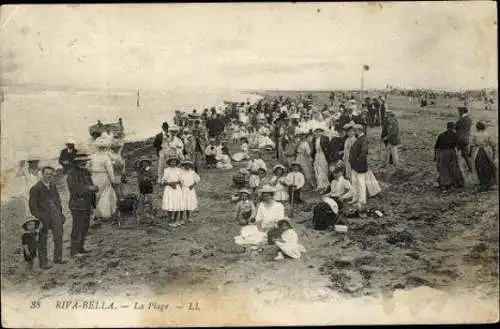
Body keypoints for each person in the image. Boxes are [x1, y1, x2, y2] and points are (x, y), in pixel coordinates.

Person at [29, 166, 67, 269]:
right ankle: (43, 262)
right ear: (42, 174)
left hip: (56, 216)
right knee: (42, 240)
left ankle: (58, 258)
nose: (49, 176)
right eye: (47, 174)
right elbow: (33, 208)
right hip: (43, 218)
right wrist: (40, 219)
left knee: (59, 237)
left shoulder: (53, 186)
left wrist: (60, 214)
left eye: (51, 174)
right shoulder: (35, 188)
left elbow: (58, 201)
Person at [67, 151, 98, 257]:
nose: (83, 162)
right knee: (77, 227)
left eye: (84, 161)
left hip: (87, 203)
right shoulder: (71, 174)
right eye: (81, 161)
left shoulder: (86, 172)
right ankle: (74, 251)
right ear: (76, 162)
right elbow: (74, 189)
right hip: (77, 205)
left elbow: (92, 186)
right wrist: (89, 188)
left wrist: (94, 203)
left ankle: (81, 247)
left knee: (85, 227)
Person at [349, 124, 381, 212]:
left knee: (361, 183)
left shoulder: (363, 139)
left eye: (355, 131)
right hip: (355, 165)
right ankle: (355, 198)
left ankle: (362, 200)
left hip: (359, 165)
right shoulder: (359, 139)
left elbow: (364, 151)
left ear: (359, 130)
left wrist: (359, 160)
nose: (354, 132)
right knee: (355, 182)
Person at [90, 137, 117, 221]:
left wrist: (92, 173)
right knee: (105, 193)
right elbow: (110, 170)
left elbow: (88, 167)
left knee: (96, 195)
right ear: (104, 148)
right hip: (103, 176)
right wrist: (113, 180)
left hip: (94, 176)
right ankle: (104, 213)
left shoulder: (92, 156)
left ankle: (96, 213)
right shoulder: (106, 157)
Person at [434, 122, 465, 190]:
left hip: (443, 153)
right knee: (454, 168)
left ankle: (445, 184)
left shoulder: (441, 135)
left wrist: (435, 156)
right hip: (452, 152)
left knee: (444, 169)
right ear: (453, 127)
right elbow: (459, 145)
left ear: (447, 127)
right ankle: (456, 183)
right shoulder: (455, 135)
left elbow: (436, 146)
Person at [470, 121, 497, 190]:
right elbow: (493, 144)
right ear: (484, 127)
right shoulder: (487, 134)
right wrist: (494, 152)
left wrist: (470, 153)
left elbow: (472, 145)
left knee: (479, 166)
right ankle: (490, 182)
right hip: (487, 151)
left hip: (478, 151)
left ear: (477, 128)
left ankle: (482, 181)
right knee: (489, 165)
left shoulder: (474, 135)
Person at [160, 157, 183, 227]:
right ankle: (170, 218)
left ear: (176, 163)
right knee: (169, 203)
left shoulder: (179, 170)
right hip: (169, 189)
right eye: (172, 162)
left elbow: (181, 180)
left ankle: (175, 219)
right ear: (169, 163)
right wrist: (170, 184)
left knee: (177, 204)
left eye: (175, 162)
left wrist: (174, 183)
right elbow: (163, 181)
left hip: (176, 188)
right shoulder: (166, 170)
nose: (173, 163)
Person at [311, 124, 330, 192]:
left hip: (323, 156)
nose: (317, 132)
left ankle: (325, 186)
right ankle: (319, 185)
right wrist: (312, 157)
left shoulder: (325, 138)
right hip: (317, 156)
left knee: (323, 170)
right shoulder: (314, 139)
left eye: (319, 131)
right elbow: (313, 150)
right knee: (317, 170)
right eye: (316, 131)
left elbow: (328, 148)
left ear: (321, 132)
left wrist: (327, 156)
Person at [455, 107, 473, 172]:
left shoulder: (461, 119)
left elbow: (455, 127)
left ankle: (455, 168)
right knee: (465, 155)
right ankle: (470, 168)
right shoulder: (469, 119)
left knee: (454, 153)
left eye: (459, 111)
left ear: (462, 112)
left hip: (459, 139)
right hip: (466, 139)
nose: (458, 113)